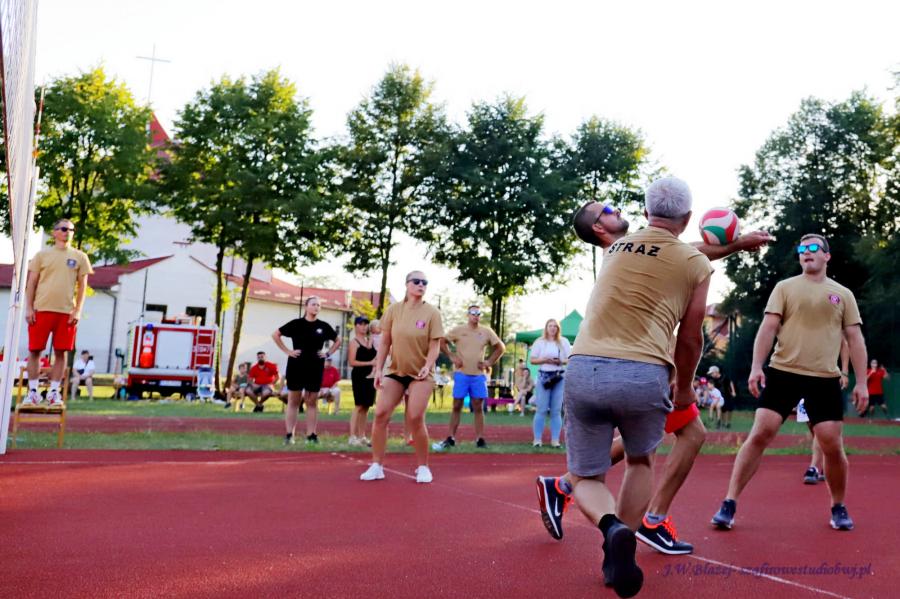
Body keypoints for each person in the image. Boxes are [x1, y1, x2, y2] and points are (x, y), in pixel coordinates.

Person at [535, 197, 771, 560]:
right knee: (668, 442)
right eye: (607, 211)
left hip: (638, 367)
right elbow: (690, 256)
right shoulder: (620, 251)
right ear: (598, 228)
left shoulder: (632, 251)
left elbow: (687, 253)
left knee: (676, 435)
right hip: (640, 368)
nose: (615, 209)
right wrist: (737, 244)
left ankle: (572, 488)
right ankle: (644, 517)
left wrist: (737, 244)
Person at [541, 177, 713, 597]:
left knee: (585, 478)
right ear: (688, 218)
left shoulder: (615, 249)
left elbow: (664, 249)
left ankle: (611, 527)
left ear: (646, 212)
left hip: (585, 367)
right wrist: (685, 388)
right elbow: (690, 337)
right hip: (644, 372)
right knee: (640, 463)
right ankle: (623, 543)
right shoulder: (695, 263)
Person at [711, 233, 869, 532]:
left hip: (824, 378)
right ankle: (729, 502)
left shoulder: (843, 294)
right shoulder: (785, 287)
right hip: (783, 372)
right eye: (802, 248)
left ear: (826, 256)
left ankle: (838, 506)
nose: (806, 252)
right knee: (761, 433)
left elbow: (855, 338)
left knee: (831, 444)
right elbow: (768, 327)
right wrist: (756, 367)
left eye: (813, 247)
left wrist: (861, 382)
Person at [360, 271, 444, 484]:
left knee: (415, 417)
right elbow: (385, 342)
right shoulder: (394, 310)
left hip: (421, 374)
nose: (421, 285)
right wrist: (379, 369)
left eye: (425, 282)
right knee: (380, 414)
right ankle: (377, 466)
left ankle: (423, 467)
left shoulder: (432, 313)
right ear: (407, 284)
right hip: (395, 371)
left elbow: (435, 345)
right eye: (416, 281)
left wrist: (427, 365)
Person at [22, 219, 94, 407]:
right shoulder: (41, 255)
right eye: (63, 229)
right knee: (35, 350)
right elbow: (31, 283)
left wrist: (77, 311)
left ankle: (54, 392)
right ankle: (33, 392)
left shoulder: (80, 257)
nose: (67, 232)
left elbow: (82, 287)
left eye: (71, 229)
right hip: (42, 309)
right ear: (54, 232)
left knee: (61, 352)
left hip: (66, 312)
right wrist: (29, 308)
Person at [272, 296, 341, 444]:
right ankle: (289, 435)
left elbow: (338, 340)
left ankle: (311, 435)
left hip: (315, 366)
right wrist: (288, 351)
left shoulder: (323, 326)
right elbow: (275, 334)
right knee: (293, 400)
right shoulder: (296, 324)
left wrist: (328, 353)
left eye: (319, 305)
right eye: (313, 304)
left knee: (312, 401)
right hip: (296, 365)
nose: (316, 307)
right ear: (306, 306)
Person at [439, 305, 505, 449]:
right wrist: (451, 356)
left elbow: (501, 347)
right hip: (461, 373)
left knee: (478, 406)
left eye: (478, 313)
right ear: (468, 315)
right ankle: (450, 438)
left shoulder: (486, 331)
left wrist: (489, 361)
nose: (476, 316)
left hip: (478, 375)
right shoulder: (459, 330)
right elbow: (441, 341)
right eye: (473, 313)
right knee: (457, 405)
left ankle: (480, 439)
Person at [529, 319, 571, 448]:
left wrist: (560, 361)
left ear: (558, 329)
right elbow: (532, 360)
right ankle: (537, 440)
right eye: (550, 326)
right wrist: (545, 360)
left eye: (555, 326)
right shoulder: (540, 342)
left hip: (559, 377)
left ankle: (555, 440)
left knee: (556, 410)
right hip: (544, 377)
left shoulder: (564, 341)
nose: (552, 328)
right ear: (546, 328)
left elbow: (569, 359)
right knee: (541, 409)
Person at [348, 316, 377, 446]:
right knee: (359, 405)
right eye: (361, 324)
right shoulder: (354, 342)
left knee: (366, 407)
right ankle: (352, 437)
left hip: (370, 376)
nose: (364, 327)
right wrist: (369, 363)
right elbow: (352, 362)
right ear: (356, 326)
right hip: (359, 376)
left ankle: (362, 436)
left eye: (366, 324)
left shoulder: (370, 341)